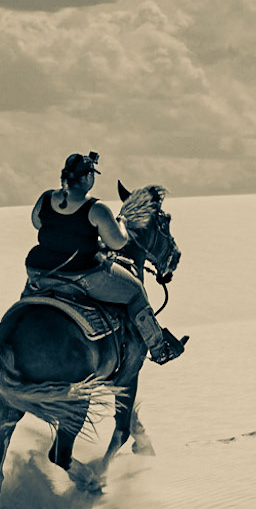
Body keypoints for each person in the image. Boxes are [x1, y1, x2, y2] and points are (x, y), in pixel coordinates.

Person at [25, 152, 186, 364]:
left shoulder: (46, 198)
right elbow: (118, 243)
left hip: (39, 273)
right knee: (136, 291)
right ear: (86, 178)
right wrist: (121, 222)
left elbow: (37, 222)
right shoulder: (96, 208)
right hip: (80, 275)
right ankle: (159, 348)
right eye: (92, 174)